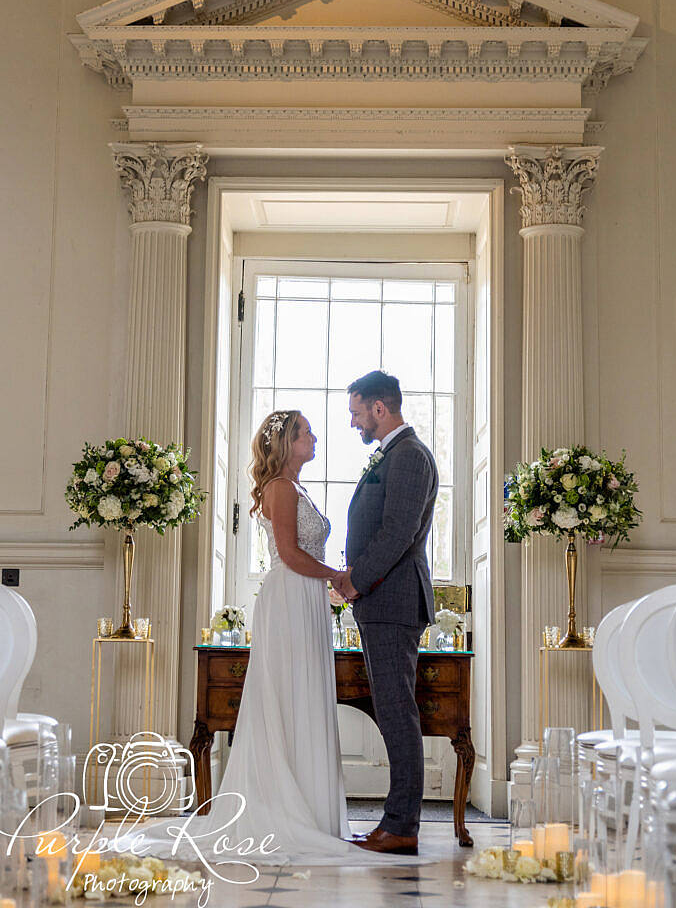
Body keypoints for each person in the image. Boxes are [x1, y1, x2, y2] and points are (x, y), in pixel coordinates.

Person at [112, 409, 413, 870]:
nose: (314, 437)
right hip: (290, 597)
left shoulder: (297, 487)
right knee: (287, 697)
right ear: (285, 443)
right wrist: (339, 575)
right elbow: (290, 555)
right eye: (305, 433)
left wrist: (334, 580)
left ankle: (311, 812)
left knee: (305, 698)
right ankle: (282, 808)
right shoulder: (278, 488)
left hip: (307, 600)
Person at [334, 370, 438, 856]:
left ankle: (401, 826)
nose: (354, 421)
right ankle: (396, 823)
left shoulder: (411, 456)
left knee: (397, 714)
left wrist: (354, 580)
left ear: (380, 407)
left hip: (393, 600)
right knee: (394, 711)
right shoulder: (395, 454)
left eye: (357, 411)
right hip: (383, 600)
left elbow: (398, 533)